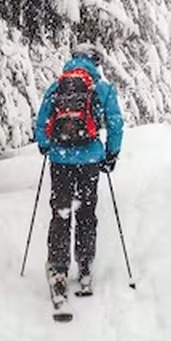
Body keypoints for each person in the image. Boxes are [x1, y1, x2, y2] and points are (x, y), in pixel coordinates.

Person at [34, 43, 124, 298]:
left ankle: (59, 269)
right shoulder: (102, 88)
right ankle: (84, 267)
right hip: (90, 160)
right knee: (86, 212)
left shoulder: (57, 86)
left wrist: (45, 145)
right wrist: (111, 154)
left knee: (61, 212)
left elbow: (41, 121)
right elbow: (116, 122)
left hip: (60, 160)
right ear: (95, 61)